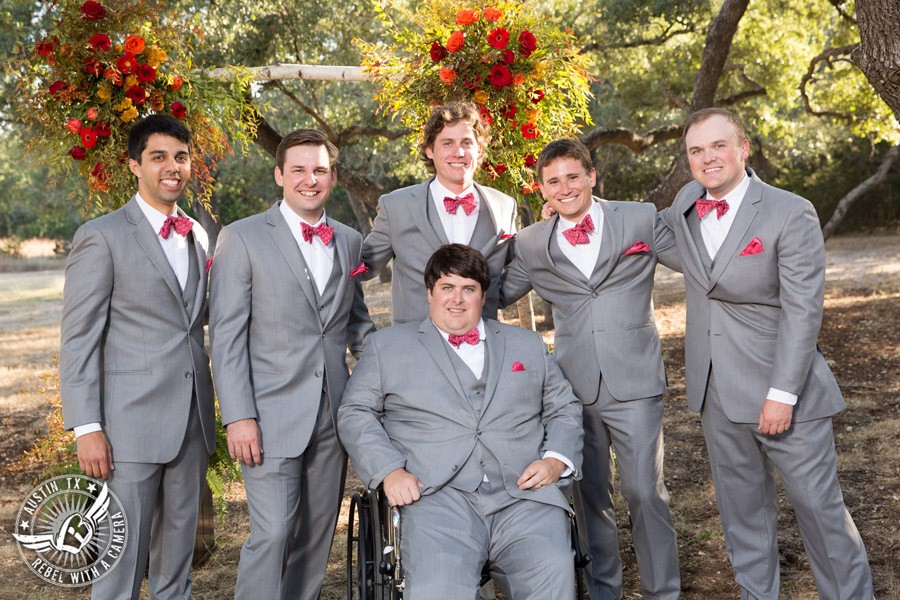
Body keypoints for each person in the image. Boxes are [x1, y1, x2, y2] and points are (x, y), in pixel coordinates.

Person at [657, 108, 873, 599]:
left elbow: (803, 312)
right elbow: (640, 231)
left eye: (718, 146)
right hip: (716, 394)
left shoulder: (789, 211)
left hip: (785, 397)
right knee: (743, 521)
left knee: (822, 516)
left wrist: (782, 394)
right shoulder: (686, 206)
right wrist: (572, 207)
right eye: (696, 150)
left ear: (743, 148)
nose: (707, 157)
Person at [338, 244, 583, 599]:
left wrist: (554, 459)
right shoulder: (386, 347)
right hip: (435, 497)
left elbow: (564, 407)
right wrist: (390, 471)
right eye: (446, 288)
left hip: (523, 497)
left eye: (468, 288)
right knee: (437, 590)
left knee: (553, 577)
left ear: (483, 295)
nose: (457, 299)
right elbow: (354, 412)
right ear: (429, 293)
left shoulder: (526, 344)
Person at [501, 138, 681, 600]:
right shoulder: (532, 241)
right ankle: (605, 591)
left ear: (592, 176)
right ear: (541, 189)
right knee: (589, 498)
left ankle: (664, 591)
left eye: (573, 176)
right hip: (573, 387)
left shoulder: (638, 217)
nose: (565, 188)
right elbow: (494, 293)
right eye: (553, 181)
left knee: (645, 493)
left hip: (635, 380)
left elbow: (698, 259)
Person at [208, 128, 374, 600]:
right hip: (268, 415)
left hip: (333, 415)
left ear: (333, 177)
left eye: (319, 170)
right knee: (274, 534)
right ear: (279, 174)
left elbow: (357, 326)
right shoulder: (240, 238)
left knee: (316, 537)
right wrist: (239, 417)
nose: (309, 179)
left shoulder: (348, 240)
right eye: (298, 169)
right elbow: (226, 335)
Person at [59, 114, 216, 600]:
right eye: (159, 157)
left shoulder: (198, 235)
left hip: (192, 424)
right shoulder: (102, 236)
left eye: (182, 157)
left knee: (177, 564)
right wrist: (87, 428)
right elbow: (78, 339)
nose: (173, 167)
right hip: (126, 430)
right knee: (118, 566)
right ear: (134, 165)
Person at [361, 101, 517, 324]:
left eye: (467, 142)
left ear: (479, 150)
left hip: (482, 345)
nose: (459, 152)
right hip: (415, 348)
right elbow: (359, 270)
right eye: (447, 143)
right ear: (429, 150)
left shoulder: (504, 205)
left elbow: (521, 267)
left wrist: (489, 298)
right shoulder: (396, 206)